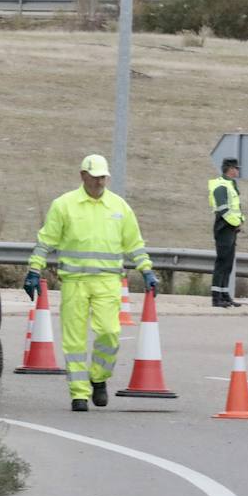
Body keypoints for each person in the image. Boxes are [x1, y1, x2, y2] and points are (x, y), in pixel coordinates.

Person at [25, 154, 157, 412]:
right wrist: (33, 269)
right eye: (95, 177)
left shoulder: (119, 207)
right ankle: (79, 394)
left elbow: (134, 243)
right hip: (75, 281)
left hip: (108, 281)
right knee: (73, 341)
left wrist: (147, 270)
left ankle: (98, 378)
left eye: (102, 177)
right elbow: (46, 241)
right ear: (82, 175)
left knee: (110, 333)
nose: (99, 182)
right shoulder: (64, 205)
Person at [208, 157, 244, 307]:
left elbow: (235, 208)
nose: (238, 171)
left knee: (228, 263)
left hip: (231, 227)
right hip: (224, 226)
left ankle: (224, 294)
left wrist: (239, 222)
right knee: (222, 262)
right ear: (230, 169)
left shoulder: (230, 184)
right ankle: (216, 298)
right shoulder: (221, 186)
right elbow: (223, 210)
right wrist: (236, 223)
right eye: (236, 168)